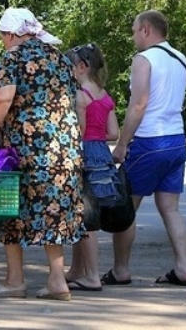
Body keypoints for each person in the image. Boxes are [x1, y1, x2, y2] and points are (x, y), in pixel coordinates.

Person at [0, 7, 84, 301]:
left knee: (10, 207)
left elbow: (2, 98)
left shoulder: (14, 57)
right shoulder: (59, 58)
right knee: (55, 211)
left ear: (12, 35)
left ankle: (15, 280)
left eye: (2, 37)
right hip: (64, 150)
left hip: (27, 149)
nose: (3, 43)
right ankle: (57, 280)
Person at [102, 10, 186, 287]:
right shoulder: (181, 59)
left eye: (134, 31)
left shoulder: (144, 60)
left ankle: (120, 270)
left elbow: (139, 104)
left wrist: (121, 144)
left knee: (126, 208)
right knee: (170, 208)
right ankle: (183, 267)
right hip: (176, 140)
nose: (133, 37)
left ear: (145, 29)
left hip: (148, 141)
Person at [64, 43, 120, 291]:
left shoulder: (80, 95)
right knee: (86, 215)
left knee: (86, 216)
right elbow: (114, 133)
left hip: (83, 154)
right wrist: (99, 138)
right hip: (102, 155)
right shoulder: (104, 95)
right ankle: (77, 270)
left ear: (82, 67)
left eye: (71, 66)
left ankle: (92, 276)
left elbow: (80, 131)